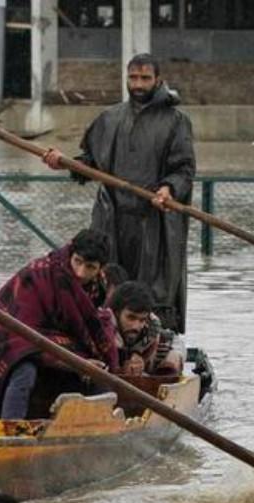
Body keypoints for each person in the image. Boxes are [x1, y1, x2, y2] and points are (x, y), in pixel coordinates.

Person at [41, 52, 195, 335]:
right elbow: (89, 164)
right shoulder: (109, 119)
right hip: (111, 218)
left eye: (145, 78)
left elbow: (184, 169)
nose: (138, 84)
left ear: (158, 80)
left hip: (154, 222)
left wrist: (168, 188)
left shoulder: (176, 122)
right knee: (105, 284)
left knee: (152, 292)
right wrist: (64, 162)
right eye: (133, 77)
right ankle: (104, 346)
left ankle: (152, 350)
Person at [0, 229, 119, 419]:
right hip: (9, 344)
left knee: (98, 374)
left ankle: (101, 429)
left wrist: (83, 362)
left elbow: (93, 333)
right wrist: (74, 361)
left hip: (59, 347)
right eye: (77, 262)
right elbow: (23, 333)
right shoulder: (37, 275)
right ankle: (11, 430)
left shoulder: (99, 287)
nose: (80, 273)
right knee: (24, 370)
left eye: (90, 267)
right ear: (71, 254)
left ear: (100, 269)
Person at [108, 281, 186, 376]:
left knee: (172, 362)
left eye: (142, 320)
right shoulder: (105, 329)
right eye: (131, 318)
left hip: (163, 347)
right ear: (117, 313)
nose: (136, 326)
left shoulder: (152, 328)